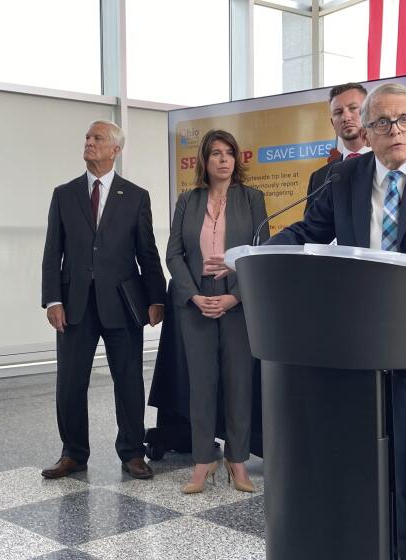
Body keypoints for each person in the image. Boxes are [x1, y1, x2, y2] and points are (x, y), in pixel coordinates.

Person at [206, 83, 406, 560]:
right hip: (375, 342)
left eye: (405, 120)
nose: (395, 131)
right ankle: (402, 547)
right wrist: (253, 256)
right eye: (382, 123)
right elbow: (310, 230)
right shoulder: (344, 179)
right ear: (365, 133)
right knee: (390, 456)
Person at [40, 120, 167, 480]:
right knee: (70, 382)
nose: (89, 142)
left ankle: (132, 452)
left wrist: (156, 298)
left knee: (128, 380)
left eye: (97, 138)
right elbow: (53, 252)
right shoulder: (64, 194)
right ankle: (73, 453)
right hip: (74, 303)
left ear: (116, 149)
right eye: (87, 137)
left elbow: (147, 251)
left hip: (123, 303)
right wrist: (52, 300)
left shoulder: (136, 196)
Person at [166, 129, 269, 494]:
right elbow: (174, 254)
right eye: (216, 154)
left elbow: (261, 254)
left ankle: (237, 460)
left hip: (238, 304)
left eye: (229, 153)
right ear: (204, 162)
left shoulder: (252, 198)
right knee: (201, 386)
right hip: (196, 304)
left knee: (239, 383)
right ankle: (202, 460)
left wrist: (236, 297)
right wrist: (193, 296)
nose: (224, 160)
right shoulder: (188, 200)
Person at [306, 82, 371, 213]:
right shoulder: (320, 177)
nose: (346, 117)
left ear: (369, 113)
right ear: (332, 123)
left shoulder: (391, 163)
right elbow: (311, 228)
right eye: (338, 112)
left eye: (353, 108)